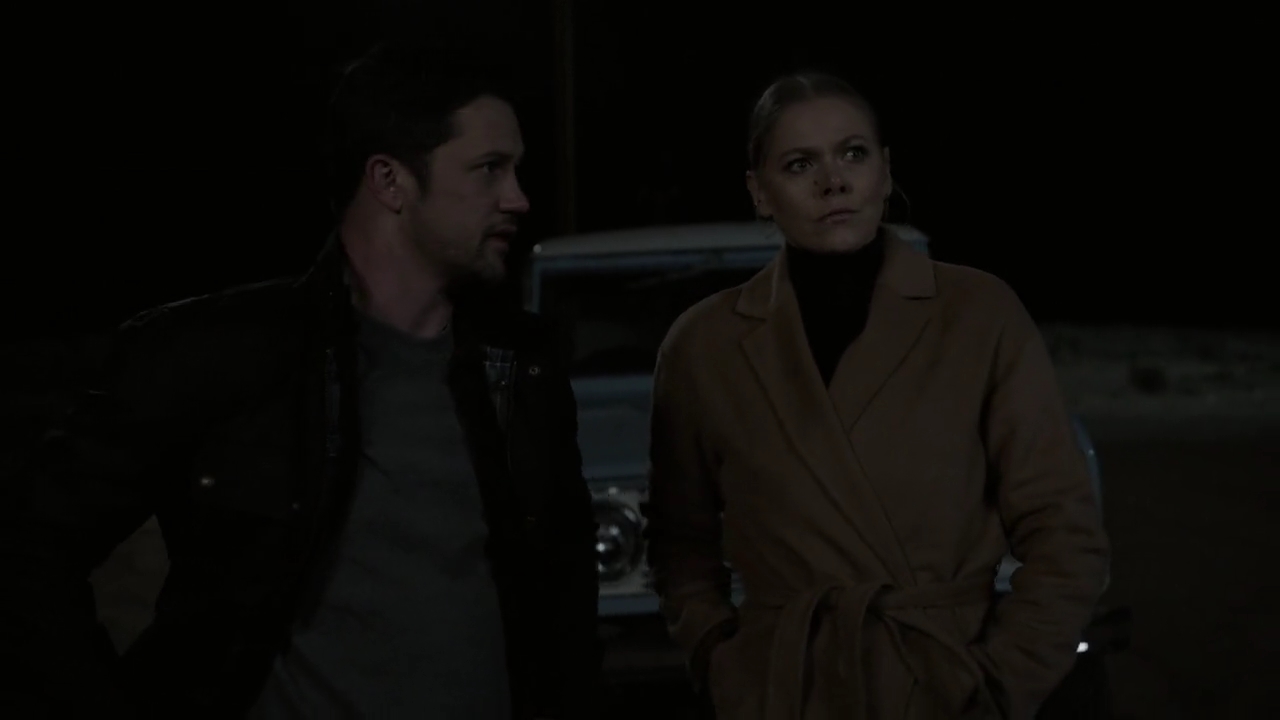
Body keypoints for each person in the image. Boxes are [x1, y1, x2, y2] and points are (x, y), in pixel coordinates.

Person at [0, 43, 599, 720]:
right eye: (490, 168)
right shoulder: (223, 357)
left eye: (516, 169)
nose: (518, 198)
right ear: (390, 181)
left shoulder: (520, 368)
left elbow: (565, 609)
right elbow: (25, 549)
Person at [643, 72, 1110, 720]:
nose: (833, 181)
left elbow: (1064, 533)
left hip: (945, 684)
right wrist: (721, 660)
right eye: (800, 164)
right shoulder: (704, 345)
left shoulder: (978, 315)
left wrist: (1000, 686)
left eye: (853, 154)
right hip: (784, 690)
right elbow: (679, 546)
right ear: (759, 192)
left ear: (885, 173)